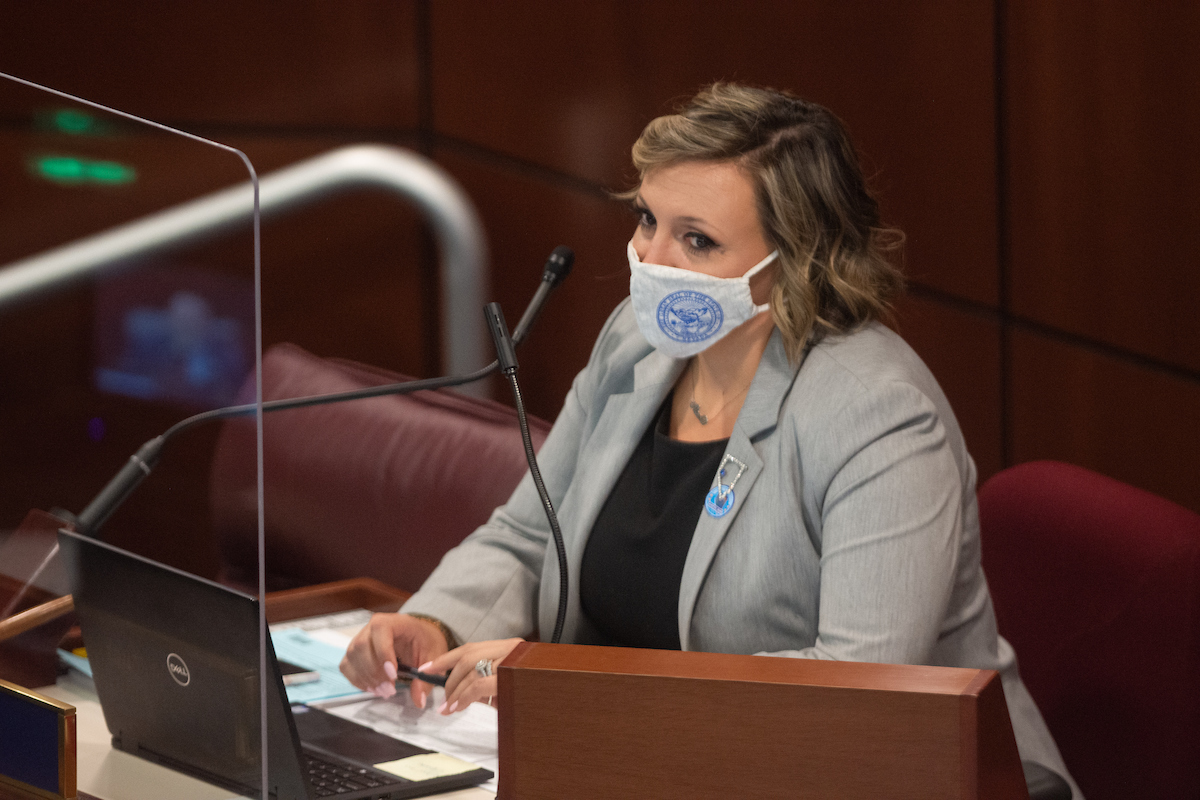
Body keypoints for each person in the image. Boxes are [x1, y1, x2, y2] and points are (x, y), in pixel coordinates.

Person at [341, 83, 1080, 796]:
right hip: (663, 769)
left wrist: (561, 688)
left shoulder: (878, 416)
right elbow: (530, 537)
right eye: (646, 221)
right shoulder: (636, 344)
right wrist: (433, 621)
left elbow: (857, 690)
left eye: (697, 240)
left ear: (795, 262)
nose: (653, 261)